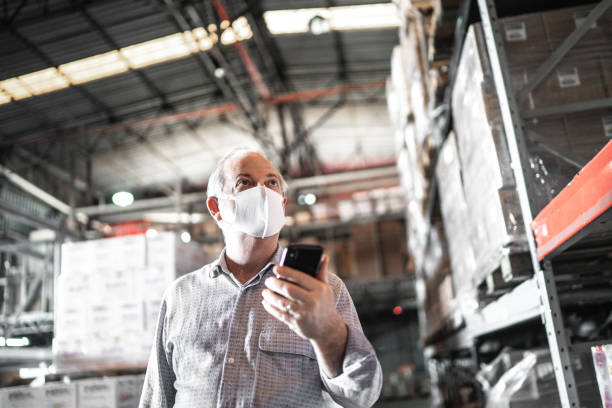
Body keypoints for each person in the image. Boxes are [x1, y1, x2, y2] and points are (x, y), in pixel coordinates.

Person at [139, 148, 382, 407]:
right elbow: (158, 398)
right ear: (216, 207)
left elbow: (362, 395)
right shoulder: (181, 295)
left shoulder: (321, 290)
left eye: (272, 183)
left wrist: (327, 332)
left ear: (283, 204)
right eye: (245, 182)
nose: (263, 192)